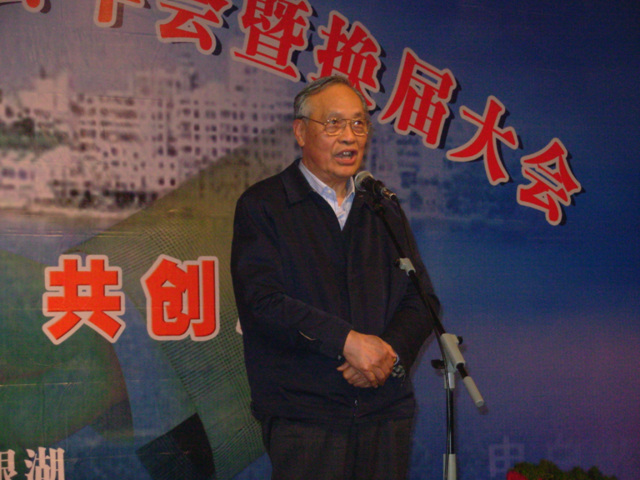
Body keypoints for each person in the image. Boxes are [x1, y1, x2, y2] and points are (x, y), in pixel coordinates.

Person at [230, 75, 439, 480]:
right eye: (334, 124)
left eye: (359, 124)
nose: (350, 136)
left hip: (384, 411)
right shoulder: (265, 205)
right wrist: (347, 342)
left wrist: (386, 353)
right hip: (306, 417)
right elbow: (262, 303)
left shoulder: (381, 207)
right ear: (300, 132)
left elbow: (421, 299)